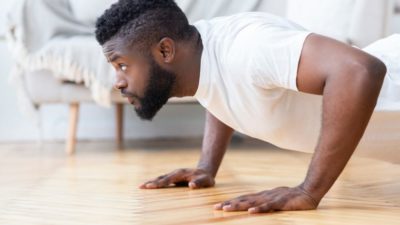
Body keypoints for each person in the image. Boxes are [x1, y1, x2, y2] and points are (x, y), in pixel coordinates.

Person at [95, 0, 399, 214]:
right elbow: (220, 86)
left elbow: (359, 71)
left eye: (122, 65)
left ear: (165, 50)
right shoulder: (200, 52)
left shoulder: (248, 47)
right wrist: (206, 166)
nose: (118, 82)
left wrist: (309, 190)